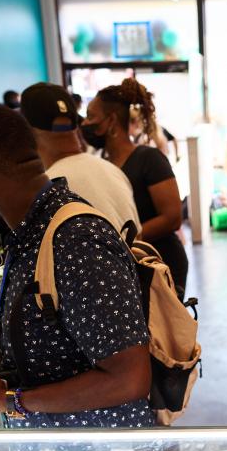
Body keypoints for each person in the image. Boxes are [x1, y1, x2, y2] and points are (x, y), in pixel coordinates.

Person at [0, 103, 153, 428]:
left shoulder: (74, 239)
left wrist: (8, 399)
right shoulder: (31, 231)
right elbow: (66, 332)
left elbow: (129, 378)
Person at [80, 78, 188, 294]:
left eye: (91, 117)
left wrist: (122, 240)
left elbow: (172, 217)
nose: (85, 124)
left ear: (111, 121)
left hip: (160, 260)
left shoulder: (149, 158)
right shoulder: (102, 163)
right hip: (128, 263)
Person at [20, 82, 141, 235]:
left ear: (27, 131)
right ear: (76, 125)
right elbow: (139, 238)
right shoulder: (112, 171)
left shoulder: (49, 188)